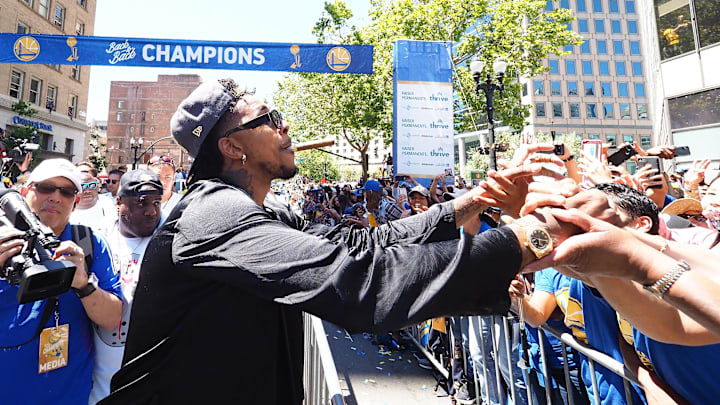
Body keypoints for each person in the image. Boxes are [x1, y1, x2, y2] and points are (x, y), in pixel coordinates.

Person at [100, 79, 574, 404]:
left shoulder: (269, 213)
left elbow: (367, 244)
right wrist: (534, 235)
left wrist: (476, 199)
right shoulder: (213, 216)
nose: (285, 127)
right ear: (231, 147)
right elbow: (360, 282)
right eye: (271, 118)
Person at [0, 159, 122, 405]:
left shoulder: (88, 243)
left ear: (75, 202)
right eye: (46, 187)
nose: (55, 197)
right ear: (25, 192)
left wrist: (84, 285)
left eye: (66, 192)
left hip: (68, 394)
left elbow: (112, 318)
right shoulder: (3, 241)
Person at [89, 170, 164, 405]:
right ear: (119, 201)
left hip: (150, 381)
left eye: (156, 203)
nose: (151, 211)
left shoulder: (170, 245)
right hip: (96, 381)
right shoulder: (94, 241)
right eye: (142, 203)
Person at [70, 171, 117, 236]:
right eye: (82, 187)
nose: (87, 191)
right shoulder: (67, 208)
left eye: (92, 185)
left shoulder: (106, 203)